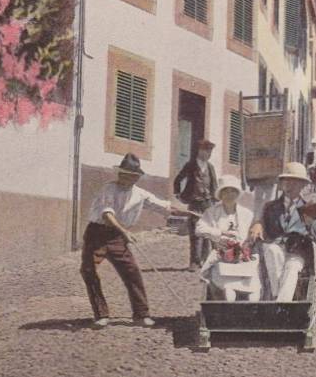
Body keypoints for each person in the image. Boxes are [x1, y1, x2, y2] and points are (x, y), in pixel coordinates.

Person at [81, 153, 181, 328]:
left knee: (132, 272)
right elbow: (107, 214)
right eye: (123, 174)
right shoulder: (109, 189)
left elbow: (164, 207)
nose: (125, 178)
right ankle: (101, 315)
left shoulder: (140, 194)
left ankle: (141, 315)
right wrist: (124, 231)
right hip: (96, 234)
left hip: (117, 238)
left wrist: (190, 214)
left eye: (130, 175)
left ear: (136, 177)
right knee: (89, 270)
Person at [249, 163, 316, 302]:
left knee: (292, 267)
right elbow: (259, 225)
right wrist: (257, 224)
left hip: (297, 253)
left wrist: (309, 219)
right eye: (287, 181)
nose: (290, 185)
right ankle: (280, 300)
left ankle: (279, 302)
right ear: (281, 184)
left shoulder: (311, 206)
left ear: (303, 185)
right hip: (275, 250)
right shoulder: (270, 207)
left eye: (296, 182)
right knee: (271, 250)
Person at [195, 175, 258, 301]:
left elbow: (253, 233)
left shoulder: (246, 213)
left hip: (243, 258)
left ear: (237, 194)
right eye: (226, 191)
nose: (230, 195)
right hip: (221, 258)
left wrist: (249, 242)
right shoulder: (212, 212)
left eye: (233, 191)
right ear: (221, 194)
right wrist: (219, 233)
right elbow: (199, 229)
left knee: (254, 291)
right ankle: (228, 314)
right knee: (229, 291)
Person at [173, 139, 218, 272]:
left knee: (207, 232)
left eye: (210, 151)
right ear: (199, 151)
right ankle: (194, 262)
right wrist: (178, 194)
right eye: (206, 151)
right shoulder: (190, 165)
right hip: (195, 203)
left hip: (208, 203)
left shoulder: (210, 167)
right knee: (195, 233)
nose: (208, 154)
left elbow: (214, 185)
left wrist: (216, 202)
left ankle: (205, 260)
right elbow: (178, 179)